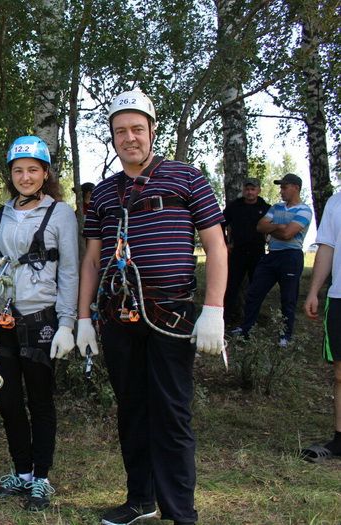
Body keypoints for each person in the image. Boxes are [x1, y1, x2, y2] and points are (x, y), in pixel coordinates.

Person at [76, 89, 227, 525]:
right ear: (112, 138)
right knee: (132, 410)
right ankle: (141, 498)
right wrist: (83, 317)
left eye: (137, 129)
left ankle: (180, 513)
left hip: (171, 315)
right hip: (118, 318)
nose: (129, 138)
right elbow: (91, 258)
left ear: (152, 131)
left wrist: (214, 309)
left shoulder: (187, 178)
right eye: (120, 131)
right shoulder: (103, 194)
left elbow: (215, 246)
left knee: (172, 413)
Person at [0, 136, 78, 511]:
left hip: (42, 318)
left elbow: (69, 271)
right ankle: (23, 472)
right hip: (4, 319)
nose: (26, 176)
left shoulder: (60, 214)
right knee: (8, 399)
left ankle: (42, 478)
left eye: (33, 170)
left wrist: (68, 323)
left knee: (40, 399)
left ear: (45, 173)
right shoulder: (3, 213)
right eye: (19, 170)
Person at [230, 173, 312, 346]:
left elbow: (288, 234)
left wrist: (273, 228)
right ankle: (246, 329)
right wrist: (280, 226)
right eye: (280, 187)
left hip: (291, 256)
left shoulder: (304, 210)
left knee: (288, 297)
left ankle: (285, 335)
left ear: (296, 188)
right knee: (254, 292)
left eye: (284, 187)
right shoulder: (275, 207)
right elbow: (260, 226)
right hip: (272, 255)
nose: (281, 191)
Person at [302, 191, 341, 463]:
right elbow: (327, 247)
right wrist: (314, 290)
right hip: (339, 297)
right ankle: (340, 439)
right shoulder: (336, 202)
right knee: (340, 374)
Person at [222, 178, 270, 323]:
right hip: (237, 253)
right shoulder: (234, 207)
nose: (250, 192)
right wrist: (225, 244)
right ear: (243, 190)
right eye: (247, 189)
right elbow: (220, 224)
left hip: (258, 253)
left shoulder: (266, 207)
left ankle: (252, 319)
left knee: (256, 287)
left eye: (253, 189)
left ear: (259, 190)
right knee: (231, 287)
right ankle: (226, 319)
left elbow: (274, 227)